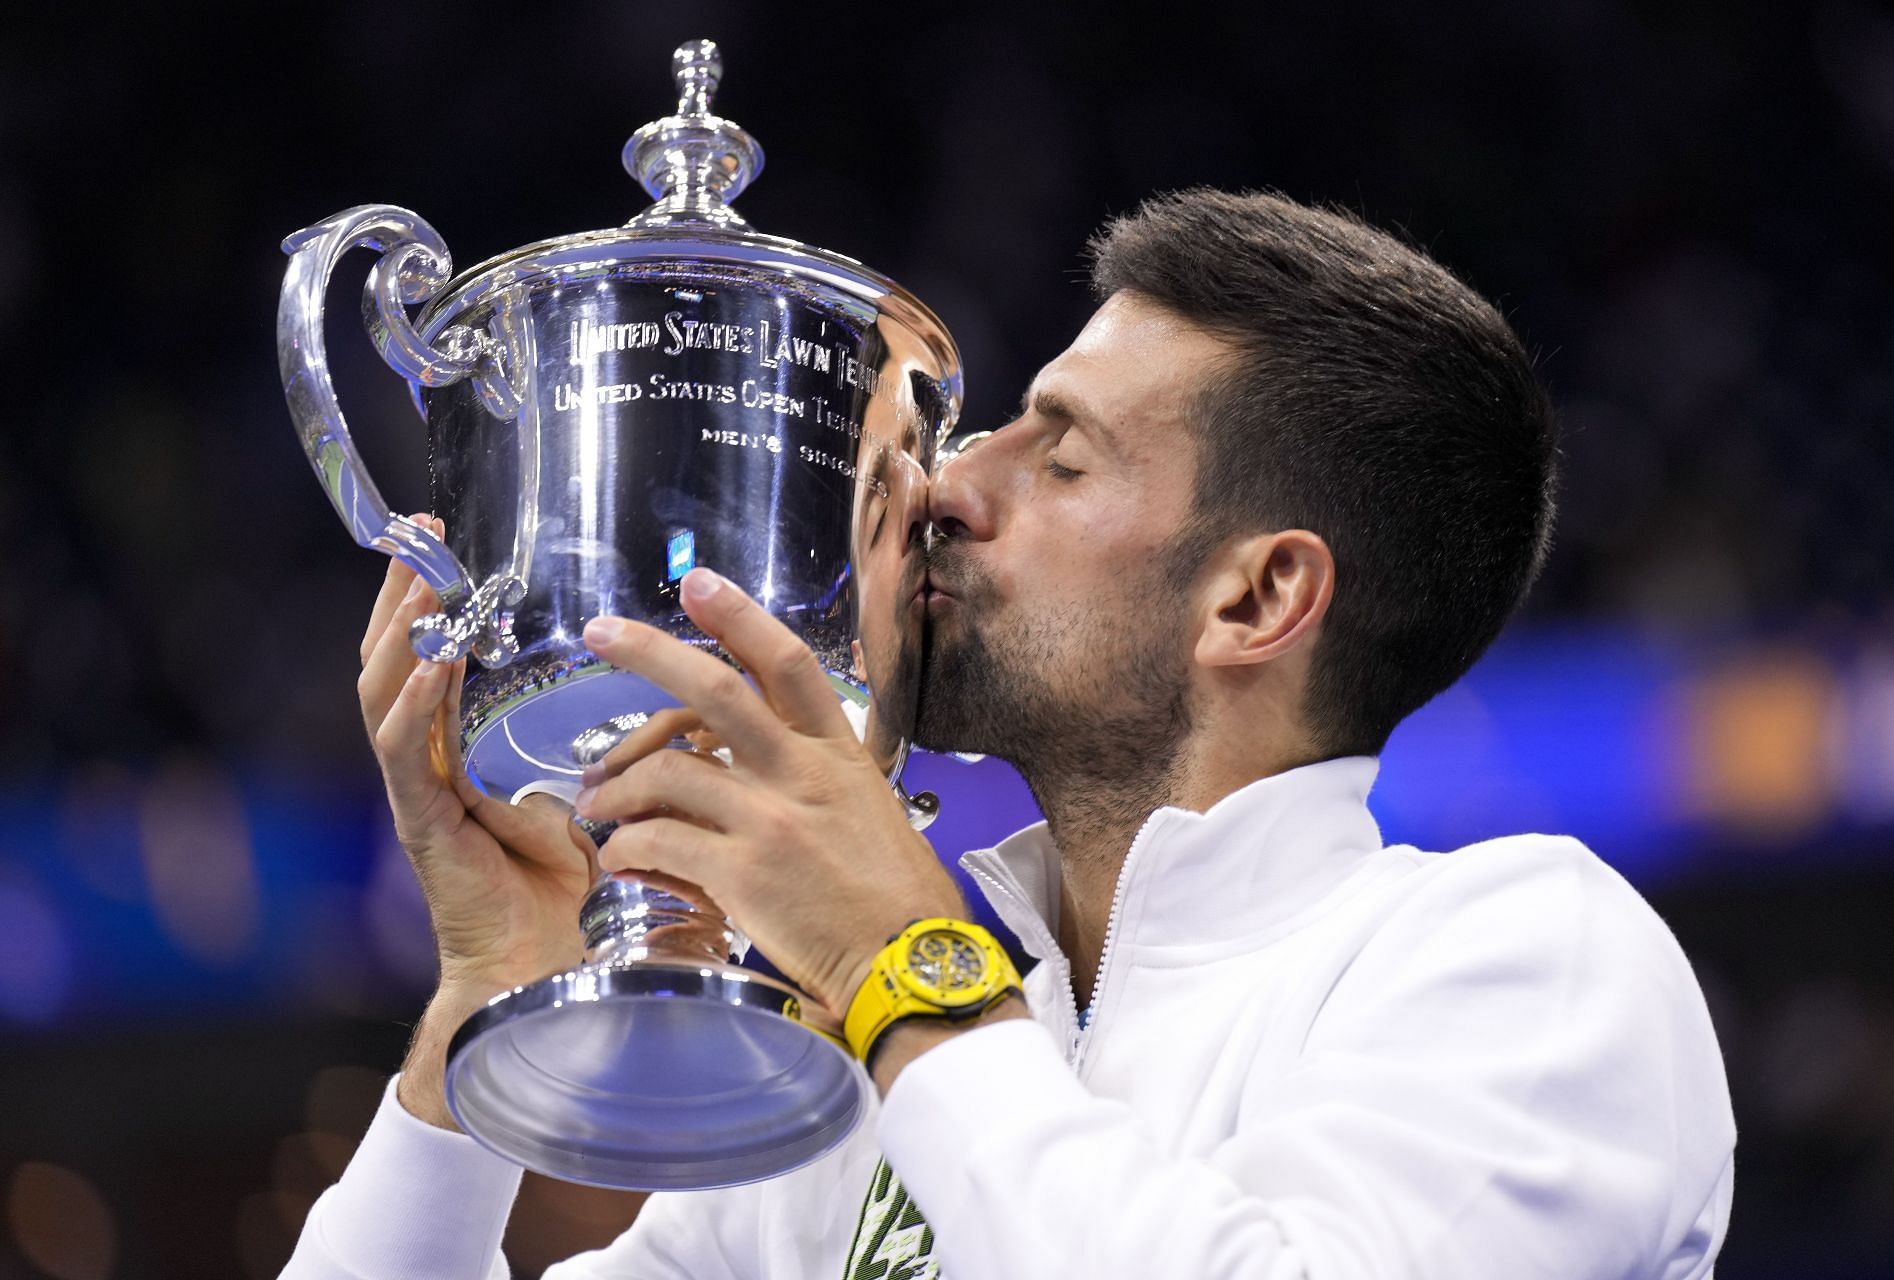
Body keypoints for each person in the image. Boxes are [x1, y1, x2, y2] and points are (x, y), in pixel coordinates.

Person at [284, 189, 1735, 1280]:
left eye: (1061, 452)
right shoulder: (857, 1094)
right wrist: (489, 996)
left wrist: (899, 964)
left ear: (1259, 595)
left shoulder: (1530, 959)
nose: (945, 490)